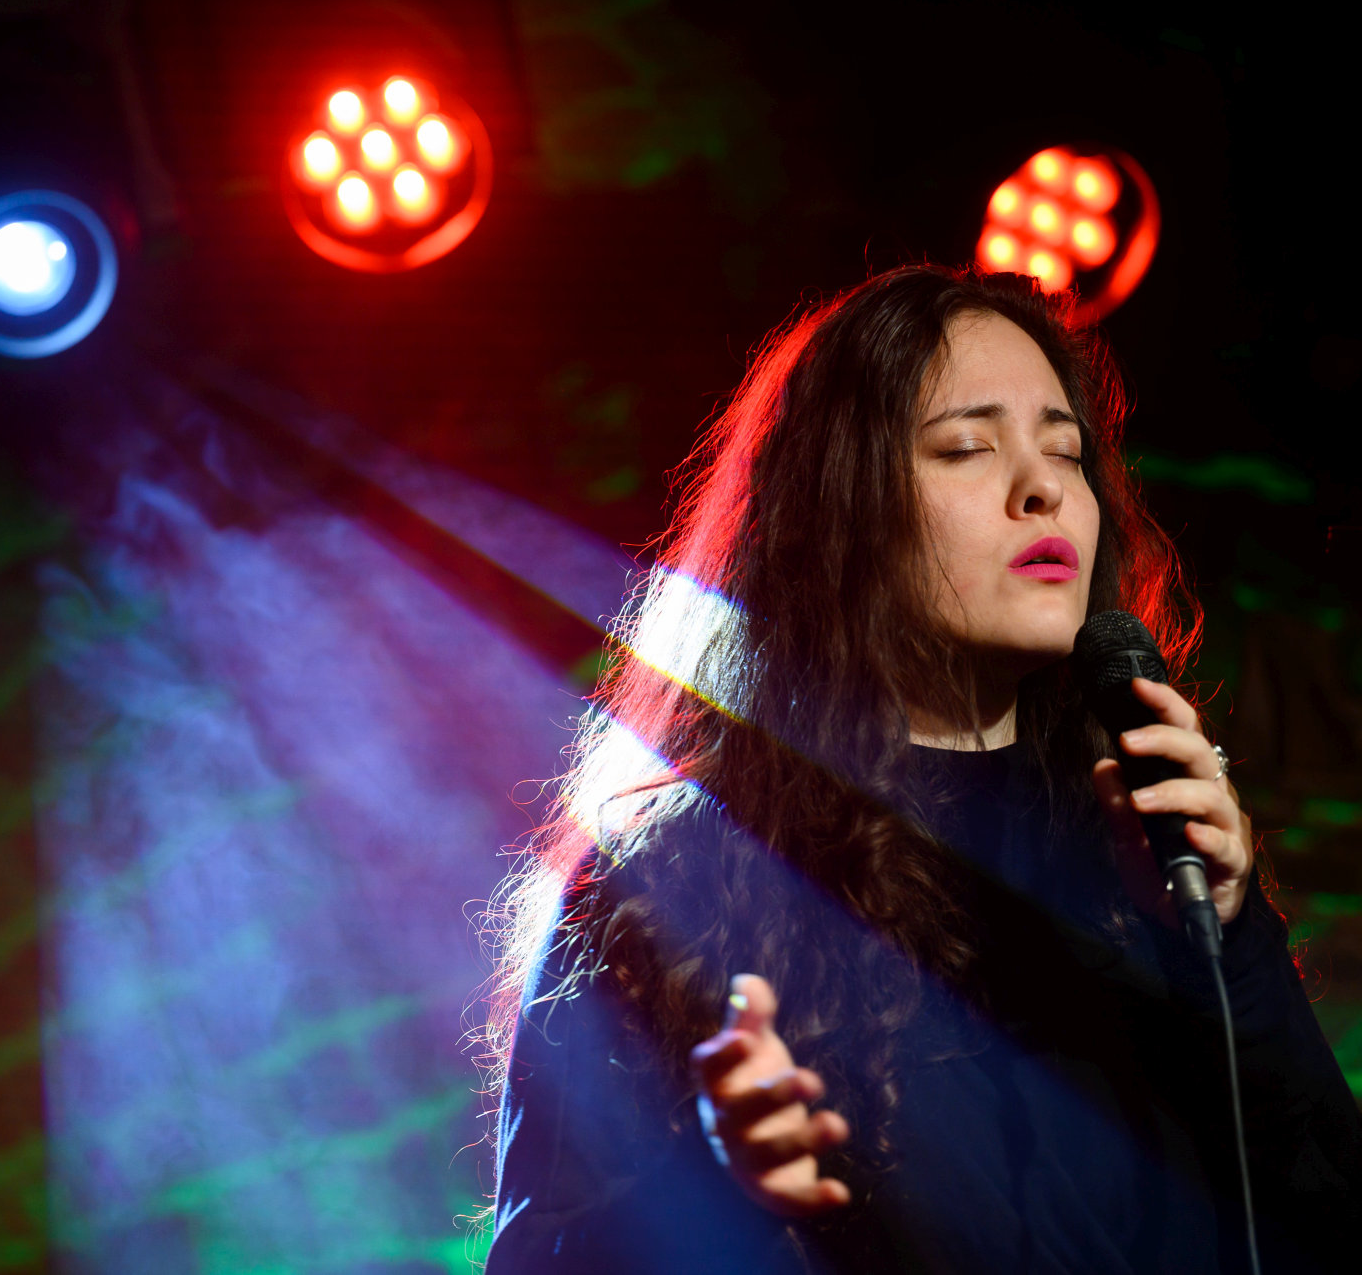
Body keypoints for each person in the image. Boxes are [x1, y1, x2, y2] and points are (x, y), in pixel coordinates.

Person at [480, 265, 1362, 1273]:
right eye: (967, 447)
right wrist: (712, 1194)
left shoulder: (1142, 848)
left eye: (1066, 451)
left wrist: (1233, 940)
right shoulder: (677, 872)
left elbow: (1326, 1218)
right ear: (837, 509)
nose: (1043, 488)